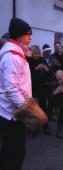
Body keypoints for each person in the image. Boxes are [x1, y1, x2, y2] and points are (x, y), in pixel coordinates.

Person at [0, 18, 32, 170]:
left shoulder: (15, 53)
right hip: (13, 114)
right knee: (15, 154)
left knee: (10, 152)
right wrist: (28, 110)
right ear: (19, 36)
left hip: (12, 113)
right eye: (27, 34)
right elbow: (11, 89)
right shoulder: (11, 56)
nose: (30, 38)